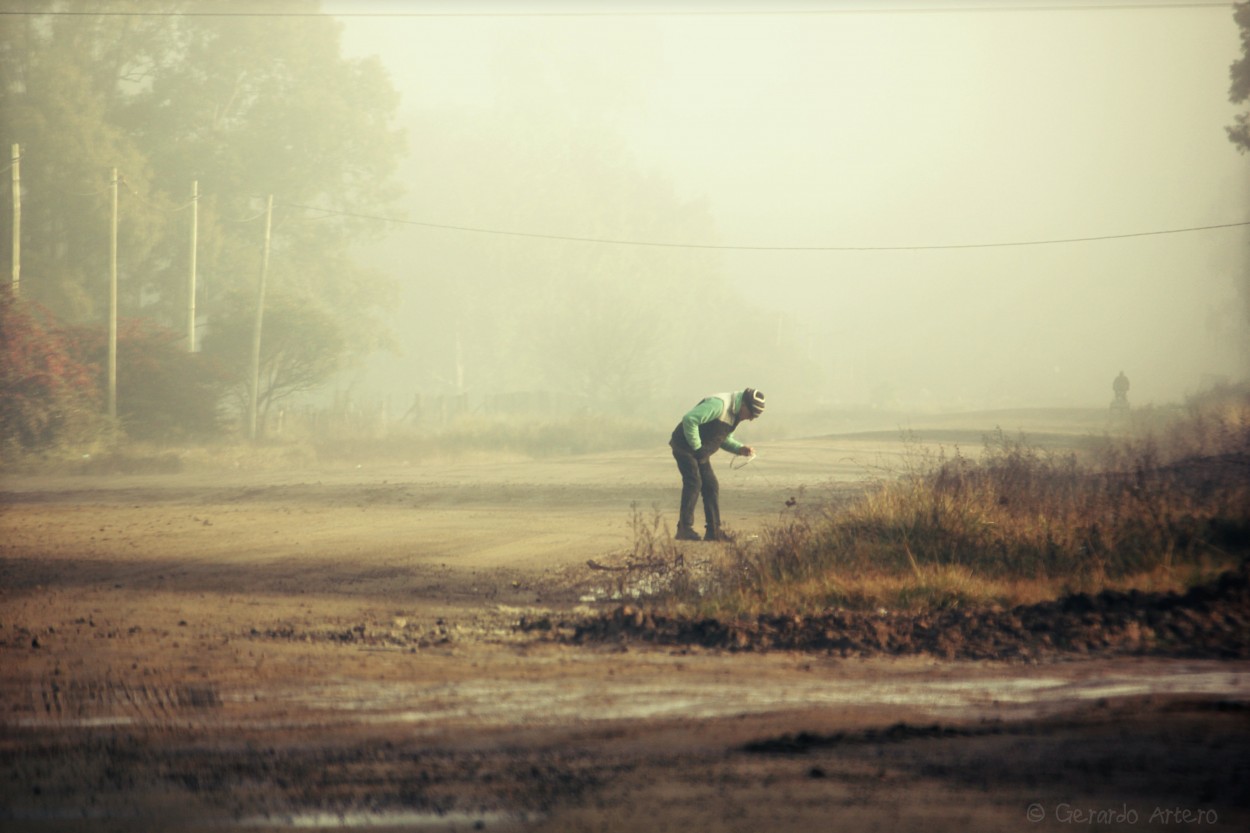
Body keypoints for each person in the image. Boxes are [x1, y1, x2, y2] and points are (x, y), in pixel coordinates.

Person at [669, 388, 765, 541]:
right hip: (683, 446)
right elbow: (689, 419)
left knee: (711, 486)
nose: (751, 419)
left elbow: (723, 438)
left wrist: (739, 448)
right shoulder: (719, 405)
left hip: (700, 451)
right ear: (744, 406)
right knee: (694, 482)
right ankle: (684, 529)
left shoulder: (735, 415)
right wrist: (697, 447)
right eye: (751, 414)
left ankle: (713, 532)